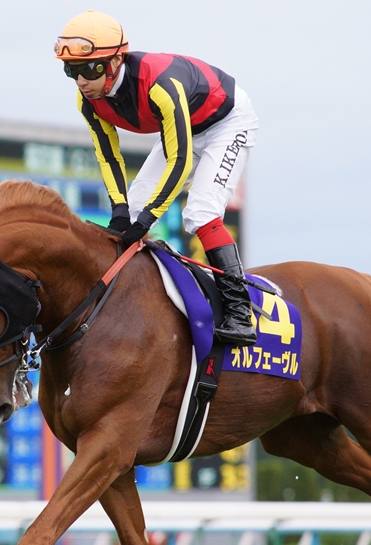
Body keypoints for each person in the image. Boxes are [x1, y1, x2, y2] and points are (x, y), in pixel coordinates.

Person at [55, 10, 259, 346]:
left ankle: (240, 311)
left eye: (89, 69)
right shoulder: (87, 99)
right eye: (71, 70)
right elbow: (108, 155)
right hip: (184, 129)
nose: (81, 81)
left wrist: (150, 217)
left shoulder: (160, 85)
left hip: (226, 122)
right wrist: (121, 209)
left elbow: (179, 162)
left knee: (201, 212)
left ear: (117, 60)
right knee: (130, 216)